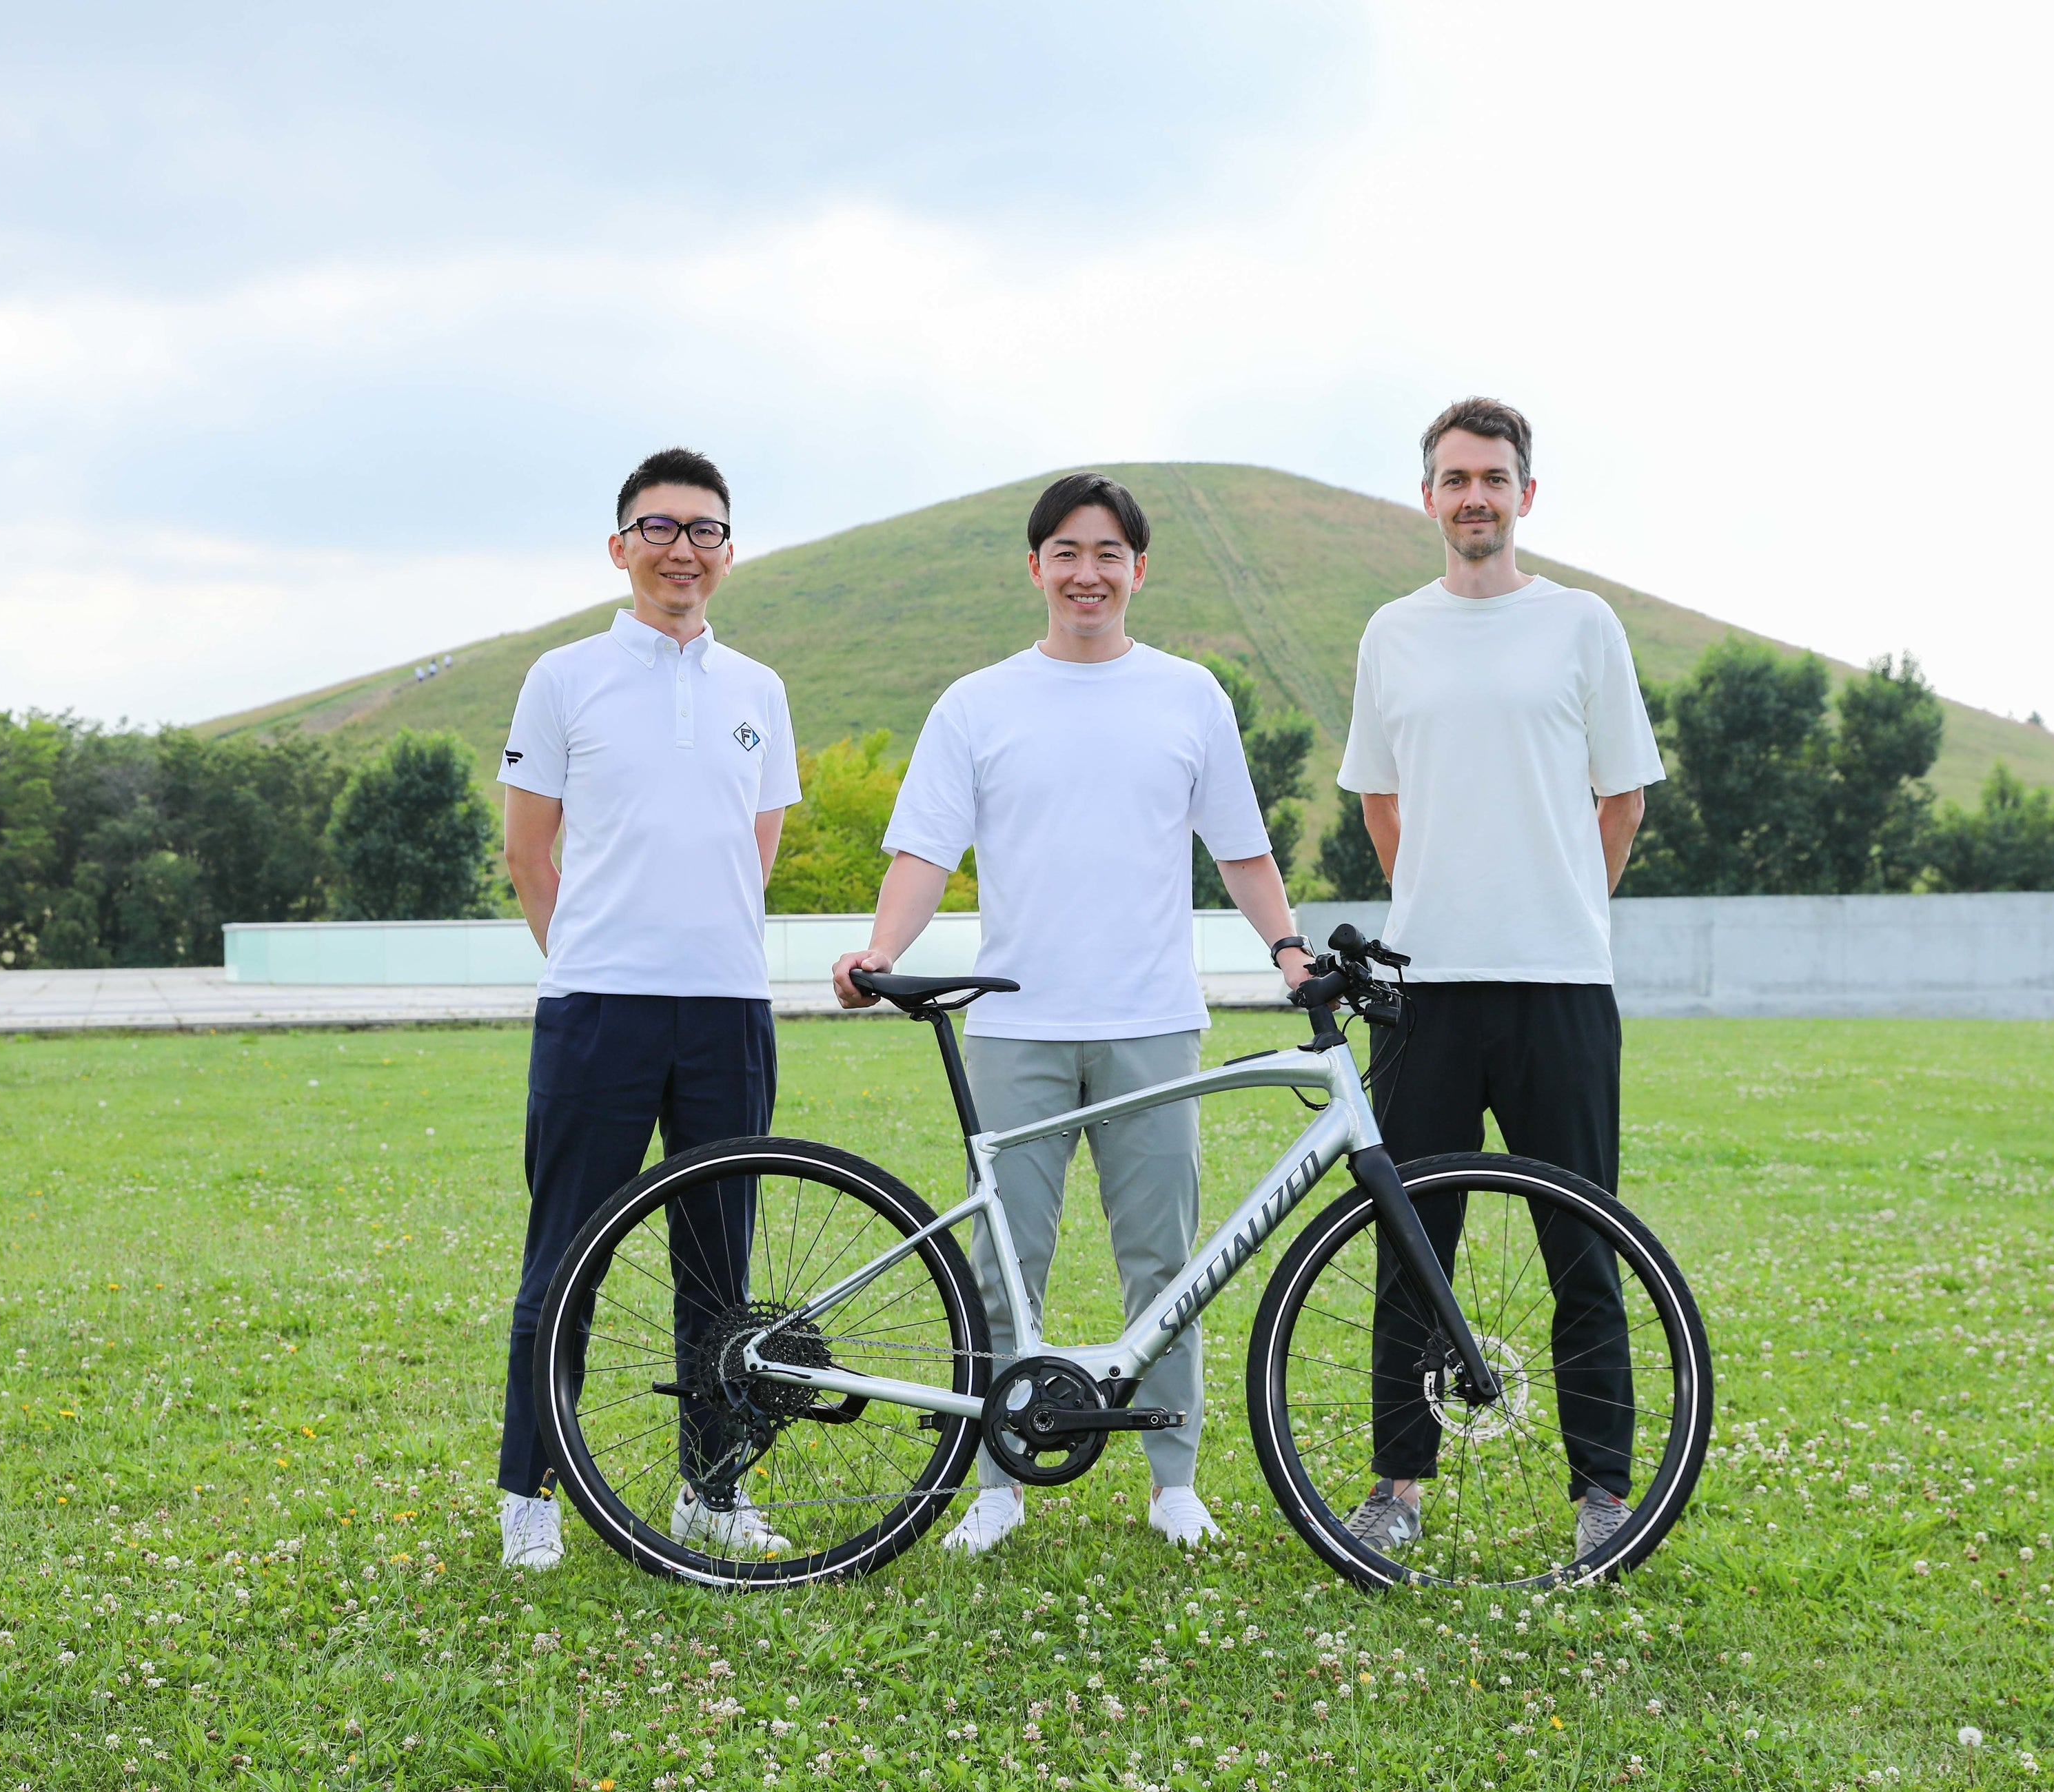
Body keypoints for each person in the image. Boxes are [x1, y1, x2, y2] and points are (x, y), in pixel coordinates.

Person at [830, 471, 1312, 1555]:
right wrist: (881, 952)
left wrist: (1287, 949)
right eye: (1066, 553)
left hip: (1153, 1023)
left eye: (1107, 555)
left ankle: (1173, 1481)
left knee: (1167, 1267)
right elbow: (924, 852)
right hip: (1016, 1027)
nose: (1086, 574)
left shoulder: (1189, 695)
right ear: (1035, 567)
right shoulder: (977, 702)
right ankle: (999, 1487)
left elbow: (1241, 849)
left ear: (1138, 570)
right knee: (1005, 1267)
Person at [1333, 396, 1662, 1559]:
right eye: (1456, 478)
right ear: (1428, 495)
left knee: (1584, 1248)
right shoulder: (1392, 633)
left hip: (1559, 986)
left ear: (1527, 493)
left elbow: (1622, 800)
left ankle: (1603, 1497)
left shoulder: (1583, 624)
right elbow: (1380, 801)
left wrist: (1559, 904)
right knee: (1412, 1246)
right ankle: (1397, 1491)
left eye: (1494, 477)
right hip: (1422, 992)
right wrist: (1444, 903)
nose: (1475, 496)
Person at [494, 447, 801, 1570]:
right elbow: (529, 853)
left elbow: (753, 853)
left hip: (728, 1011)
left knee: (720, 1271)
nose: (683, 549)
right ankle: (530, 1491)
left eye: (704, 530)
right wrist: (593, 955)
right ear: (620, 547)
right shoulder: (563, 676)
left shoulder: (758, 689)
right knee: (564, 1260)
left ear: (729, 551)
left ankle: (712, 1492)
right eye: (660, 528)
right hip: (598, 1012)